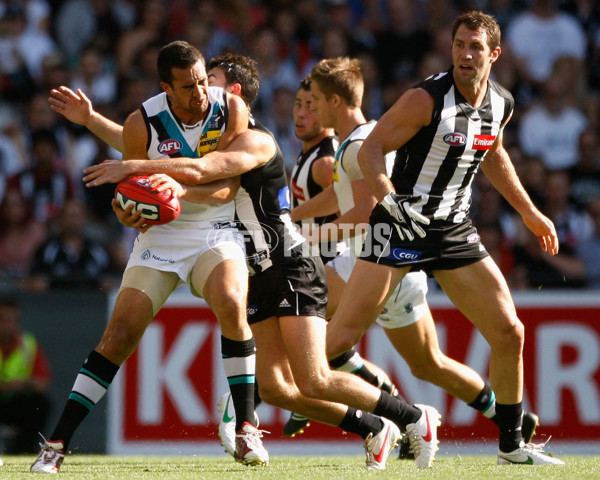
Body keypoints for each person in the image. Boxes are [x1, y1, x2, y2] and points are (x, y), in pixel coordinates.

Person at [76, 52, 442, 471]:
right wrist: (94, 124)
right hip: (256, 272)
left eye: (208, 81)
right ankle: (373, 427)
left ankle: (414, 416)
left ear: (232, 94)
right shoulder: (211, 136)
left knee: (314, 378)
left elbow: (197, 172)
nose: (201, 91)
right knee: (275, 388)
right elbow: (154, 145)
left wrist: (142, 173)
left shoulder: (254, 139)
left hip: (289, 265)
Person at [326, 11, 564, 466]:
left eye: (475, 46)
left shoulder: (502, 103)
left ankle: (511, 446)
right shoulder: (425, 99)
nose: (465, 54)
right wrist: (389, 202)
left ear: (494, 54)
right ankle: (392, 419)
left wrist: (531, 213)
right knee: (336, 344)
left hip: (453, 230)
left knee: (510, 331)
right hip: (398, 225)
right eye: (459, 45)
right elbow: (372, 149)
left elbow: (492, 153)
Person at [31, 41, 261, 473]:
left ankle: (247, 428)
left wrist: (176, 190)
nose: (199, 93)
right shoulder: (143, 123)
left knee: (232, 303)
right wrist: (128, 211)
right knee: (118, 335)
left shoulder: (230, 107)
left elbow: (227, 188)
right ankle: (56, 445)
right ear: (165, 88)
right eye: (188, 86)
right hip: (162, 238)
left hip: (214, 228)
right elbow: (128, 203)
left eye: (200, 81)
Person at [284, 75, 397, 437]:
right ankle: (395, 406)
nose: (303, 113)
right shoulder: (318, 153)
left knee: (301, 343)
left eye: (311, 105)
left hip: (330, 259)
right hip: (340, 257)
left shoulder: (327, 157)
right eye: (299, 105)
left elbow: (347, 206)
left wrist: (296, 225)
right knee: (428, 364)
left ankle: (255, 412)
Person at [0, 294, 52, 454]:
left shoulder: (27, 343)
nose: (9, 325)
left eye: (13, 320)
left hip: (15, 402)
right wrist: (8, 385)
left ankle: (24, 451)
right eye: (4, 320)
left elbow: (43, 384)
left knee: (40, 405)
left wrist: (26, 383)